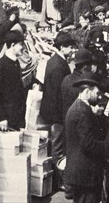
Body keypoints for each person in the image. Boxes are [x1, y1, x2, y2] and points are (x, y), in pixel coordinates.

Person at [39, 32, 77, 190]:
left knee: (55, 145)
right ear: (62, 47)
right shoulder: (59, 67)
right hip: (57, 115)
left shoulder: (53, 60)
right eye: (69, 47)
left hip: (50, 111)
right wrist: (63, 117)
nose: (72, 49)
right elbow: (58, 95)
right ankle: (59, 181)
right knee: (58, 147)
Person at [65, 73, 106, 203]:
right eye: (96, 93)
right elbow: (88, 143)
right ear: (87, 92)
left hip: (79, 170)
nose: (99, 97)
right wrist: (107, 147)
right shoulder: (82, 112)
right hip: (85, 171)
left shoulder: (79, 107)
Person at [0, 31, 27, 131]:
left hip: (16, 118)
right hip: (5, 121)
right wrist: (1, 118)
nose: (24, 48)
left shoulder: (15, 62)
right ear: (12, 45)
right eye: (21, 45)